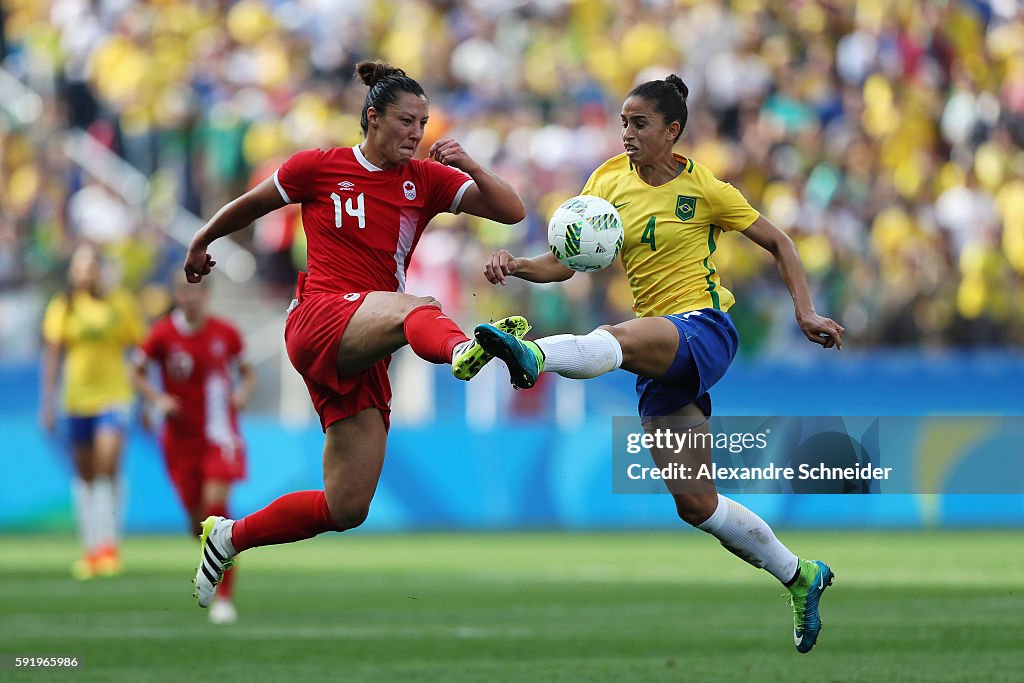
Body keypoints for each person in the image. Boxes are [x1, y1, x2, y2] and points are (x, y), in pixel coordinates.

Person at [471, 75, 845, 653]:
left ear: (672, 131)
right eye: (622, 121)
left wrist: (805, 312)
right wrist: (518, 266)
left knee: (613, 336)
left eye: (638, 123)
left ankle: (534, 355)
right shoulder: (607, 181)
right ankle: (800, 575)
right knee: (695, 503)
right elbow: (569, 262)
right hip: (656, 350)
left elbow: (781, 243)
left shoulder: (708, 189)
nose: (626, 134)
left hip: (704, 327)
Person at [182, 60, 529, 610]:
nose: (417, 134)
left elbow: (512, 211)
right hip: (319, 319)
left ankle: (228, 538)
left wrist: (471, 165)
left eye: (424, 123)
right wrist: (202, 239)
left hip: (367, 341)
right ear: (372, 118)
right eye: (406, 121)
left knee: (346, 507)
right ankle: (464, 348)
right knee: (420, 307)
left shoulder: (427, 180)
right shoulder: (317, 168)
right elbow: (251, 206)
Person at [130, 274, 255, 624]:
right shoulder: (162, 335)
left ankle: (225, 599)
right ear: (177, 295)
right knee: (196, 523)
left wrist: (243, 393)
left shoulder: (225, 333)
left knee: (218, 517)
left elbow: (247, 373)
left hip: (219, 436)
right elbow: (135, 371)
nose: (192, 298)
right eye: (185, 291)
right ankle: (213, 568)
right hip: (179, 441)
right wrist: (157, 399)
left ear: (208, 295)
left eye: (198, 291)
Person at [40, 242, 146, 579]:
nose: (85, 272)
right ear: (72, 272)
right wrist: (48, 403)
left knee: (108, 465)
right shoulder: (63, 306)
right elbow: (53, 355)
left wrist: (147, 396)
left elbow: (140, 348)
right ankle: (91, 548)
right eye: (79, 266)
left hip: (114, 396)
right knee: (85, 476)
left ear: (100, 269)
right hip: (75, 400)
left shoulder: (121, 303)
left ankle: (109, 546)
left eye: (90, 266)